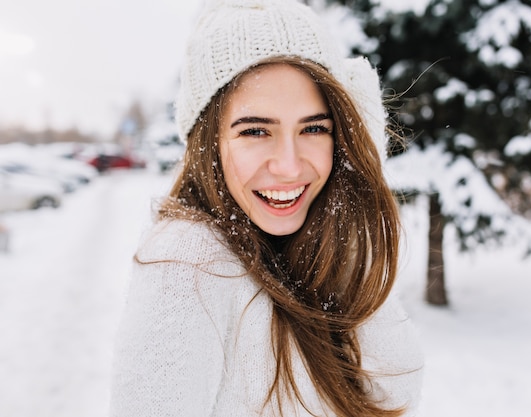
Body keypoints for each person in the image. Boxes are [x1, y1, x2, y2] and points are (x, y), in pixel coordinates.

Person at [109, 0, 423, 416]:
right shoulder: (188, 262)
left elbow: (393, 394)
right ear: (210, 144)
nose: (290, 165)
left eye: (314, 128)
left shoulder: (312, 243)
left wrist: (357, 190)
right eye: (255, 131)